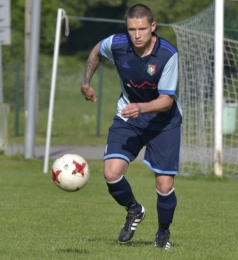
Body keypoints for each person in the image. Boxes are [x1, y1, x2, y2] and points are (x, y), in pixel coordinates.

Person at [81, 4, 182, 250]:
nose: (137, 35)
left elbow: (166, 100)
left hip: (163, 122)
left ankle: (162, 234)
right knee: (111, 173)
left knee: (165, 185)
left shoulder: (167, 54)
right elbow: (96, 50)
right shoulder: (117, 43)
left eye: (142, 29)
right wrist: (85, 82)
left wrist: (141, 107)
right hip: (129, 116)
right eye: (132, 29)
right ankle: (134, 210)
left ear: (153, 27)